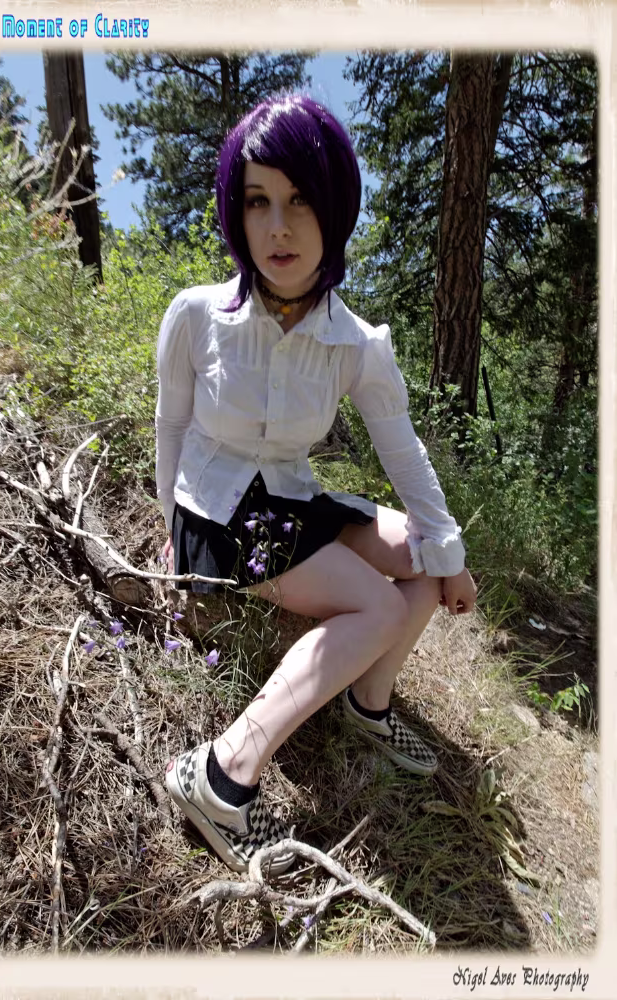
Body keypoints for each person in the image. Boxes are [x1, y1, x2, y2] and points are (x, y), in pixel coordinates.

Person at [156, 94, 477, 875]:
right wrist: (170, 534)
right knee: (377, 606)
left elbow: (405, 455)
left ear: (335, 209)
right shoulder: (196, 316)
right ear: (236, 212)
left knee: (422, 555)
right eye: (257, 201)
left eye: (300, 200)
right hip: (219, 509)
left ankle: (369, 701)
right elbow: (171, 428)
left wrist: (451, 552)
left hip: (292, 496)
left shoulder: (357, 344)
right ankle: (223, 773)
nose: (278, 227)